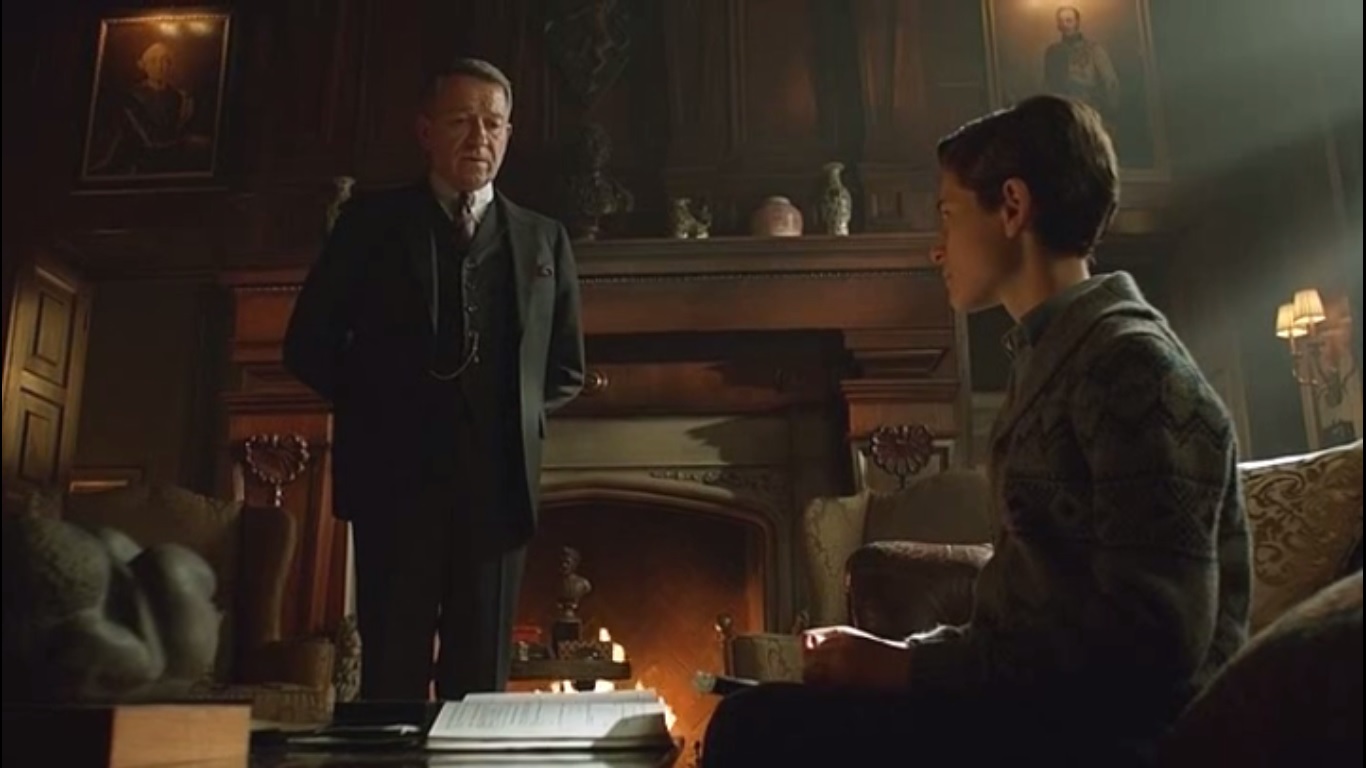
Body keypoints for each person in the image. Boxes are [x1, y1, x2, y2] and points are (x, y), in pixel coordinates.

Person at [701, 95, 1249, 766]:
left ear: (1012, 206)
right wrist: (902, 656)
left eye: (948, 214)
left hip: (1100, 739)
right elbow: (1021, 622)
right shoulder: (1053, 362)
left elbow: (1153, 646)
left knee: (757, 731)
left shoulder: (1133, 369)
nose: (938, 246)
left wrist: (911, 671)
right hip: (1030, 716)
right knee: (757, 715)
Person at [283, 58, 586, 701]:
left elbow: (565, 369)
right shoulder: (368, 225)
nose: (480, 138)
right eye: (461, 121)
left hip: (498, 496)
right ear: (425, 131)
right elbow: (307, 345)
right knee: (390, 680)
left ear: (509, 133)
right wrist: (379, 408)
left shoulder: (544, 240)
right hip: (394, 489)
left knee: (478, 692)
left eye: (494, 124)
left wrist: (508, 416)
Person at [1044, 6, 1121, 125]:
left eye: (1069, 21)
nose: (1065, 25)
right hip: (1063, 114)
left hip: (1090, 112)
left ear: (1077, 23)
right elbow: (1048, 84)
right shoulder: (1053, 53)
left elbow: (1111, 83)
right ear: (1058, 25)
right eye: (1061, 21)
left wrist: (1111, 113)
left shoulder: (1093, 50)